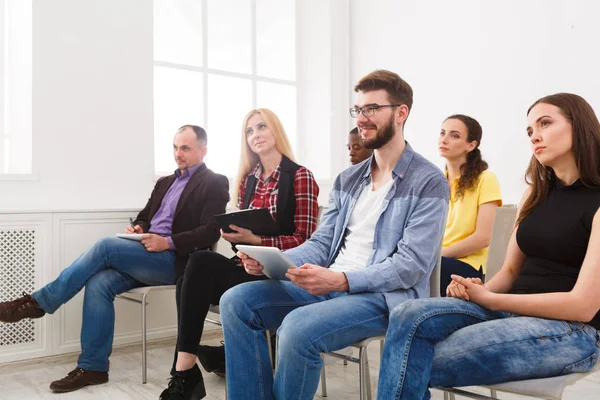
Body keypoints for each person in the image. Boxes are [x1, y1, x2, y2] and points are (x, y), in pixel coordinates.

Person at [219, 70, 449, 400]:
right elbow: (322, 242)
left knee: (297, 329)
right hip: (327, 284)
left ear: (401, 113)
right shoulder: (349, 179)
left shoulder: (428, 181)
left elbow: (410, 266)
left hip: (384, 297)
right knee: (236, 302)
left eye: (372, 108)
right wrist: (275, 262)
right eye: (358, 110)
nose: (363, 119)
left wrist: (341, 280)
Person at [376, 93, 600, 400]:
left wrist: (493, 301)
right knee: (406, 313)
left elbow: (582, 306)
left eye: (545, 123)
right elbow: (509, 270)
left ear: (582, 127)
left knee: (410, 358)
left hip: (572, 331)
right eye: (530, 130)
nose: (535, 135)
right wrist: (477, 291)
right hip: (511, 312)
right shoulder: (535, 195)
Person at [0, 125, 229, 394]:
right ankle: (93, 367)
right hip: (147, 254)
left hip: (179, 261)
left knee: (106, 246)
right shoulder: (164, 182)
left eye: (186, 148)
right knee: (99, 282)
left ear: (203, 150)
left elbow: (210, 230)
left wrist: (166, 241)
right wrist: (140, 228)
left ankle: (38, 302)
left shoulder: (214, 181)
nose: (178, 153)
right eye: (175, 147)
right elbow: (145, 216)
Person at [158, 108, 319, 400]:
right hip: (247, 267)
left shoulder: (300, 177)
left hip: (282, 274)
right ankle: (188, 370)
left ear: (276, 131)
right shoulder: (248, 180)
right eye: (249, 131)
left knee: (197, 265)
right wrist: (237, 240)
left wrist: (255, 239)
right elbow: (242, 237)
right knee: (191, 274)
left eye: (261, 127)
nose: (254, 135)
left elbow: (306, 240)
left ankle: (185, 375)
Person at [438, 115, 502, 296]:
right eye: (442, 133)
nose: (444, 139)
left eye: (454, 135)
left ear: (471, 145)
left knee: (418, 272)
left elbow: (483, 237)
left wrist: (438, 256)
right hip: (437, 260)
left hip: (468, 266)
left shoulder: (485, 179)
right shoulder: (436, 182)